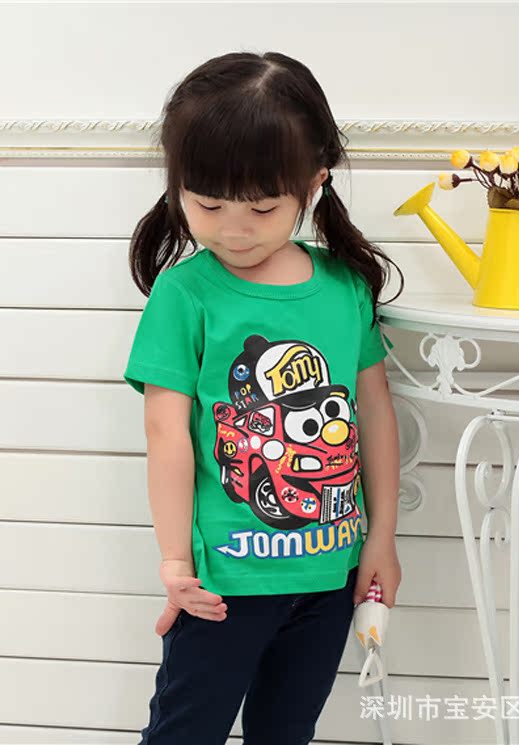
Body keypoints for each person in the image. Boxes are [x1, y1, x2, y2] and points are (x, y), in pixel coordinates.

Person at [123, 50, 404, 745]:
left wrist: (381, 538)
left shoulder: (343, 286)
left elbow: (373, 413)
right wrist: (175, 562)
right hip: (221, 586)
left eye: (262, 206)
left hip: (330, 577)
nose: (232, 228)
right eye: (207, 203)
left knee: (287, 732)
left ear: (314, 181)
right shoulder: (185, 294)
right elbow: (167, 434)